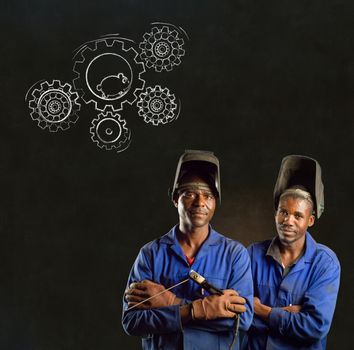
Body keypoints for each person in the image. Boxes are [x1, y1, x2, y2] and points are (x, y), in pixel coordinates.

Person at [122, 150, 253, 350]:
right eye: (190, 193)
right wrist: (198, 309)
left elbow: (242, 320)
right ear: (176, 199)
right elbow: (132, 320)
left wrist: (170, 301)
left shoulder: (235, 255)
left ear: (215, 202)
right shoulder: (150, 254)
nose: (200, 202)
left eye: (208, 195)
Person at [245, 155, 340, 349]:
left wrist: (263, 311)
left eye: (298, 215)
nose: (288, 221)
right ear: (276, 213)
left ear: (310, 221)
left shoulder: (325, 263)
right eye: (284, 212)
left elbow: (314, 327)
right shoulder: (253, 254)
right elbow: (239, 314)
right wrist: (289, 314)